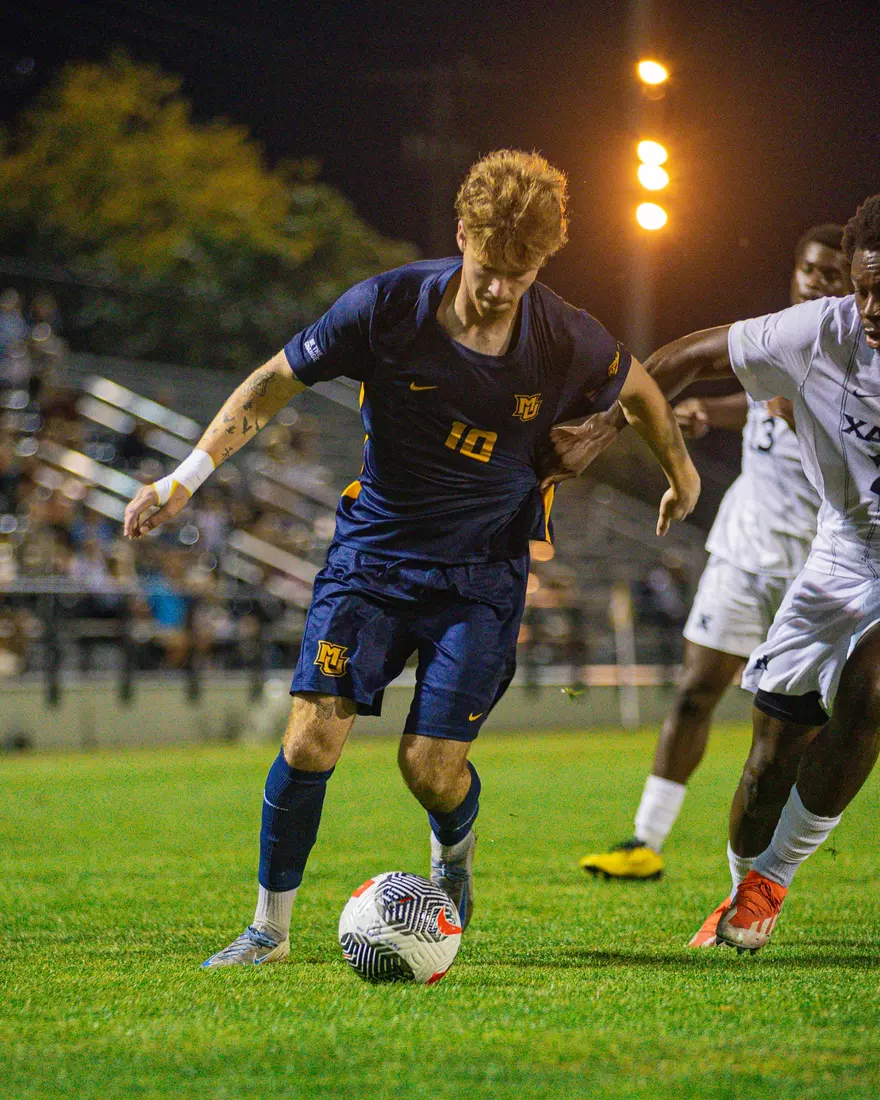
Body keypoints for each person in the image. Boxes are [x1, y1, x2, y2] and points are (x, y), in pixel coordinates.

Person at [123, 149, 700, 967]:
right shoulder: (386, 306)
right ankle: (268, 931)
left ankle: (452, 863)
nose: (501, 287)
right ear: (462, 233)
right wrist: (184, 481)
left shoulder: (563, 335)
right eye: (490, 264)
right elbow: (273, 381)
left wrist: (681, 473)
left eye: (522, 270)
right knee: (309, 742)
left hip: (483, 577)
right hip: (372, 561)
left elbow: (639, 388)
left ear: (544, 262)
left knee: (429, 769)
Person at [550, 194, 880, 953]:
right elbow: (689, 355)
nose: (866, 308)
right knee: (768, 758)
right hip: (834, 557)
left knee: (869, 692)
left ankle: (771, 880)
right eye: (858, 289)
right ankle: (738, 883)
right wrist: (603, 428)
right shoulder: (818, 333)